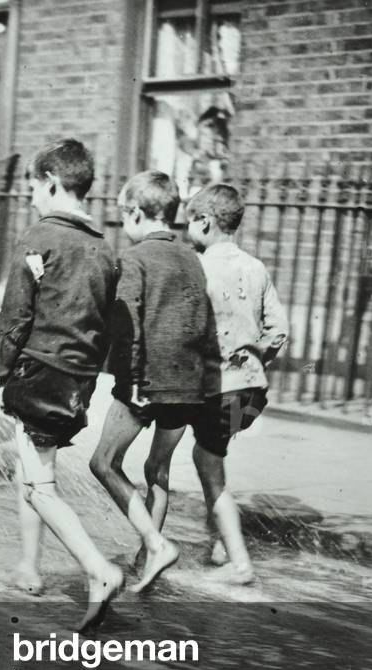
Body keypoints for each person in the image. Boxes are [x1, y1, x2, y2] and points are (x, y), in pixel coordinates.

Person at [0, 138, 123, 630]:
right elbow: (92, 317)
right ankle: (29, 565)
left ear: (49, 181)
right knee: (30, 469)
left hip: (36, 374)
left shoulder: (38, 237)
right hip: (75, 380)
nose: (29, 196)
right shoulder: (105, 249)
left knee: (42, 487)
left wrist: (2, 367)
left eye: (32, 186)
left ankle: (99, 570)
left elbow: (16, 314)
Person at [139, 184, 289, 584]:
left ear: (204, 222)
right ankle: (223, 544)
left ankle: (228, 562)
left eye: (190, 221)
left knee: (180, 464)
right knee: (211, 457)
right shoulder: (255, 267)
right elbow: (279, 331)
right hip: (251, 391)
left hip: (208, 385)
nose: (187, 229)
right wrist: (252, 358)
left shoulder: (197, 266)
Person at [89, 170, 216, 592]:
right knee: (156, 469)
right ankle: (147, 560)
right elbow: (204, 323)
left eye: (123, 214)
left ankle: (155, 543)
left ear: (135, 212)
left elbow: (128, 328)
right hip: (189, 386)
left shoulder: (135, 257)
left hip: (146, 382)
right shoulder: (192, 257)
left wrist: (130, 378)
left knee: (104, 463)